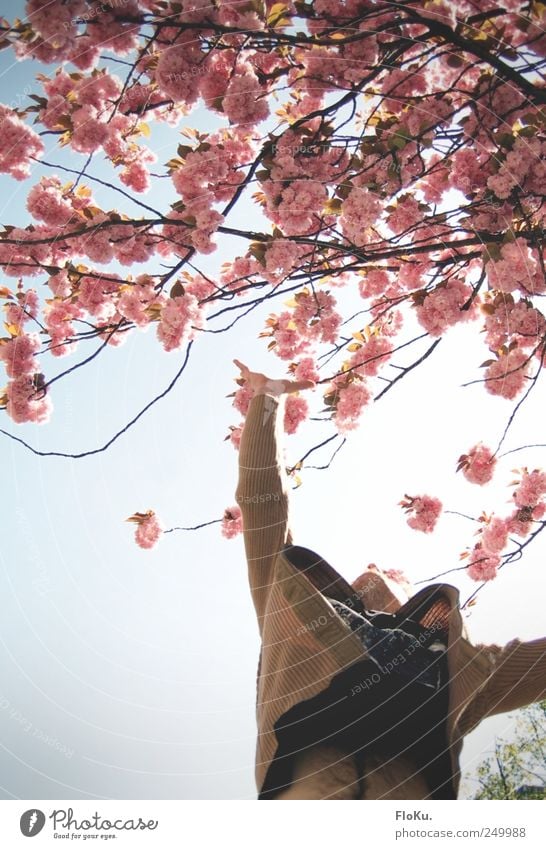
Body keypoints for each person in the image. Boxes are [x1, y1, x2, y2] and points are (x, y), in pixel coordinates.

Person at [233, 358, 546, 800]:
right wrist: (266, 400)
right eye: (363, 584)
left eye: (383, 585)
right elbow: (263, 504)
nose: (370, 584)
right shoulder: (292, 610)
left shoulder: (453, 663)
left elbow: (534, 669)